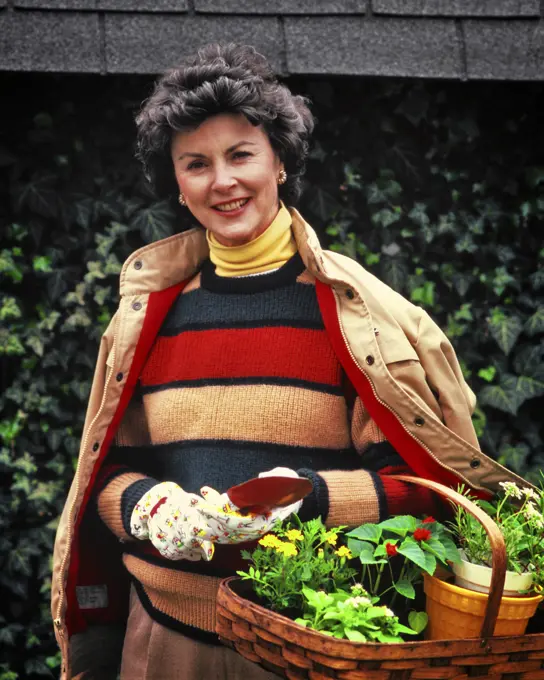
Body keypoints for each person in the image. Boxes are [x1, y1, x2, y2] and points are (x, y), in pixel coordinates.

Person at [51, 43, 528, 680]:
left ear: (280, 163)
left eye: (241, 155)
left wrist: (300, 499)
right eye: (196, 164)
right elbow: (109, 471)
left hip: (307, 649)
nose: (222, 181)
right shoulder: (148, 317)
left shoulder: (354, 316)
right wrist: (146, 507)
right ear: (178, 184)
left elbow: (421, 492)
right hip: (160, 647)